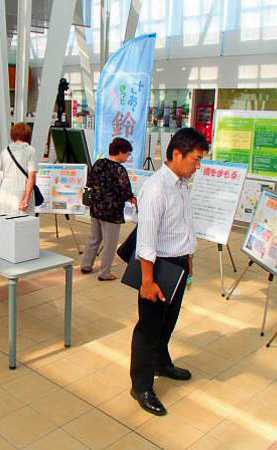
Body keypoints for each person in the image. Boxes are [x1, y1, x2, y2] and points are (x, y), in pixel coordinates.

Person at [130, 127, 209, 417]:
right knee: (148, 328)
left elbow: (183, 227)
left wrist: (188, 260)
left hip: (177, 263)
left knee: (168, 322)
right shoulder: (156, 189)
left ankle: (161, 364)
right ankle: (141, 385)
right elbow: (146, 241)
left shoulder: (181, 184)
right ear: (177, 154)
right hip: (158, 267)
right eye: (196, 159)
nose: (198, 166)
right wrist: (147, 282)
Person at [81, 137, 136, 281]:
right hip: (112, 213)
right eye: (127, 154)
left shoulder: (99, 163)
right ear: (120, 152)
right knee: (110, 244)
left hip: (96, 209)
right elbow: (126, 192)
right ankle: (104, 273)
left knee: (94, 238)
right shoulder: (119, 170)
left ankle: (86, 265)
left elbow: (90, 183)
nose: (128, 157)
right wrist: (132, 198)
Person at [0, 123, 38, 216]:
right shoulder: (30, 150)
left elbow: (3, 171)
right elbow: (32, 176)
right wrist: (26, 198)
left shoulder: (5, 151)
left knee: (6, 222)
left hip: (5, 190)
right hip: (22, 189)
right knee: (23, 223)